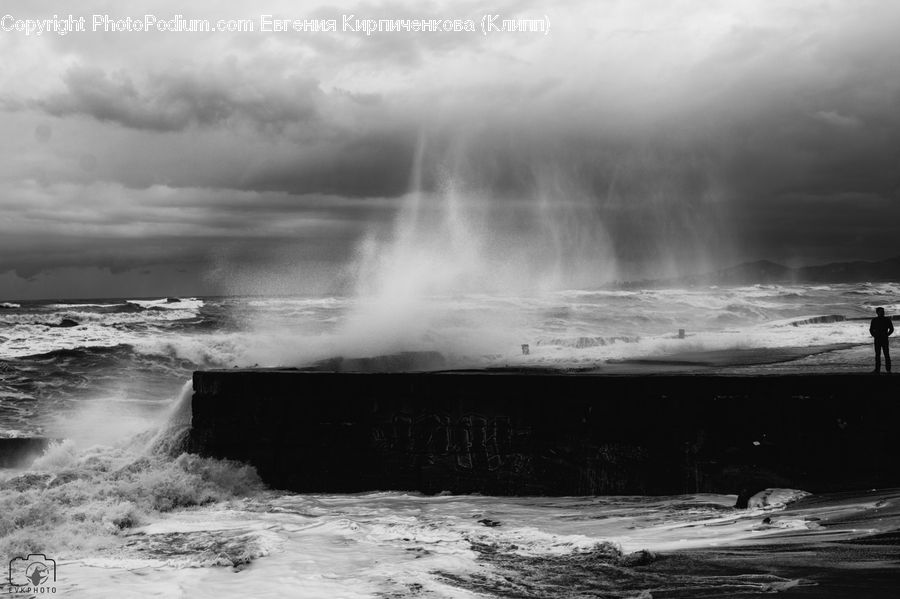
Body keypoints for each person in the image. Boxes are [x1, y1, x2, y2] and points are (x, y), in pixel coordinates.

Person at [869, 307, 894, 373]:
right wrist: (874, 335)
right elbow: (871, 329)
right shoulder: (874, 320)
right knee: (877, 355)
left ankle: (888, 370)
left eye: (883, 311)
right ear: (877, 312)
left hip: (884, 339)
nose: (883, 312)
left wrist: (887, 335)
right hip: (877, 339)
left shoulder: (887, 319)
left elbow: (891, 329)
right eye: (881, 311)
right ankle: (877, 369)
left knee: (886, 354)